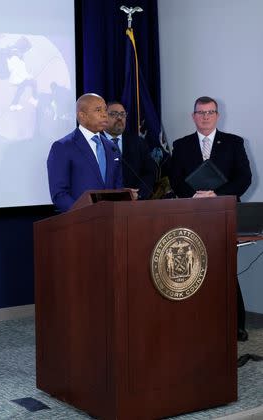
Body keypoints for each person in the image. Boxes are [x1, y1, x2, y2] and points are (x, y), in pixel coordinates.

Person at [169, 96, 252, 341]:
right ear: (193, 116)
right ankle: (199, 322)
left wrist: (216, 193)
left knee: (226, 270)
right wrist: (193, 195)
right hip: (191, 216)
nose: (205, 117)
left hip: (225, 214)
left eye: (210, 112)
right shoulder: (181, 145)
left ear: (218, 116)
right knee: (194, 271)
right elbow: (175, 179)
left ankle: (237, 325)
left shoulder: (234, 143)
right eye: (201, 112)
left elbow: (244, 178)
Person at [47, 93, 123, 212]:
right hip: (81, 222)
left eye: (105, 110)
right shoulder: (62, 147)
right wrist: (85, 213)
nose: (104, 114)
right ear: (82, 116)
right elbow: (59, 194)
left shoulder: (112, 147)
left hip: (110, 220)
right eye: (98, 110)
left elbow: (117, 187)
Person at [104, 101, 157, 200]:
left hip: (134, 203)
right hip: (103, 203)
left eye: (122, 114)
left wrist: (139, 193)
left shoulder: (138, 142)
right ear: (103, 117)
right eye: (114, 114)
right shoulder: (95, 142)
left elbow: (149, 172)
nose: (119, 118)